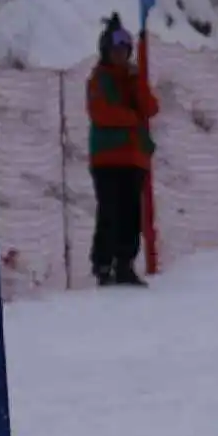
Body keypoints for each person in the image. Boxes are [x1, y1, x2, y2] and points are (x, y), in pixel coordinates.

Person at [88, 16, 156, 286]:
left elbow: (150, 107)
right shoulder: (99, 79)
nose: (120, 56)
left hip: (134, 157)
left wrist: (136, 84)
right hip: (107, 157)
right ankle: (103, 264)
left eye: (125, 51)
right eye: (116, 50)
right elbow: (101, 113)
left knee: (131, 213)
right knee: (109, 210)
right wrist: (131, 118)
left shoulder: (133, 78)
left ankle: (125, 262)